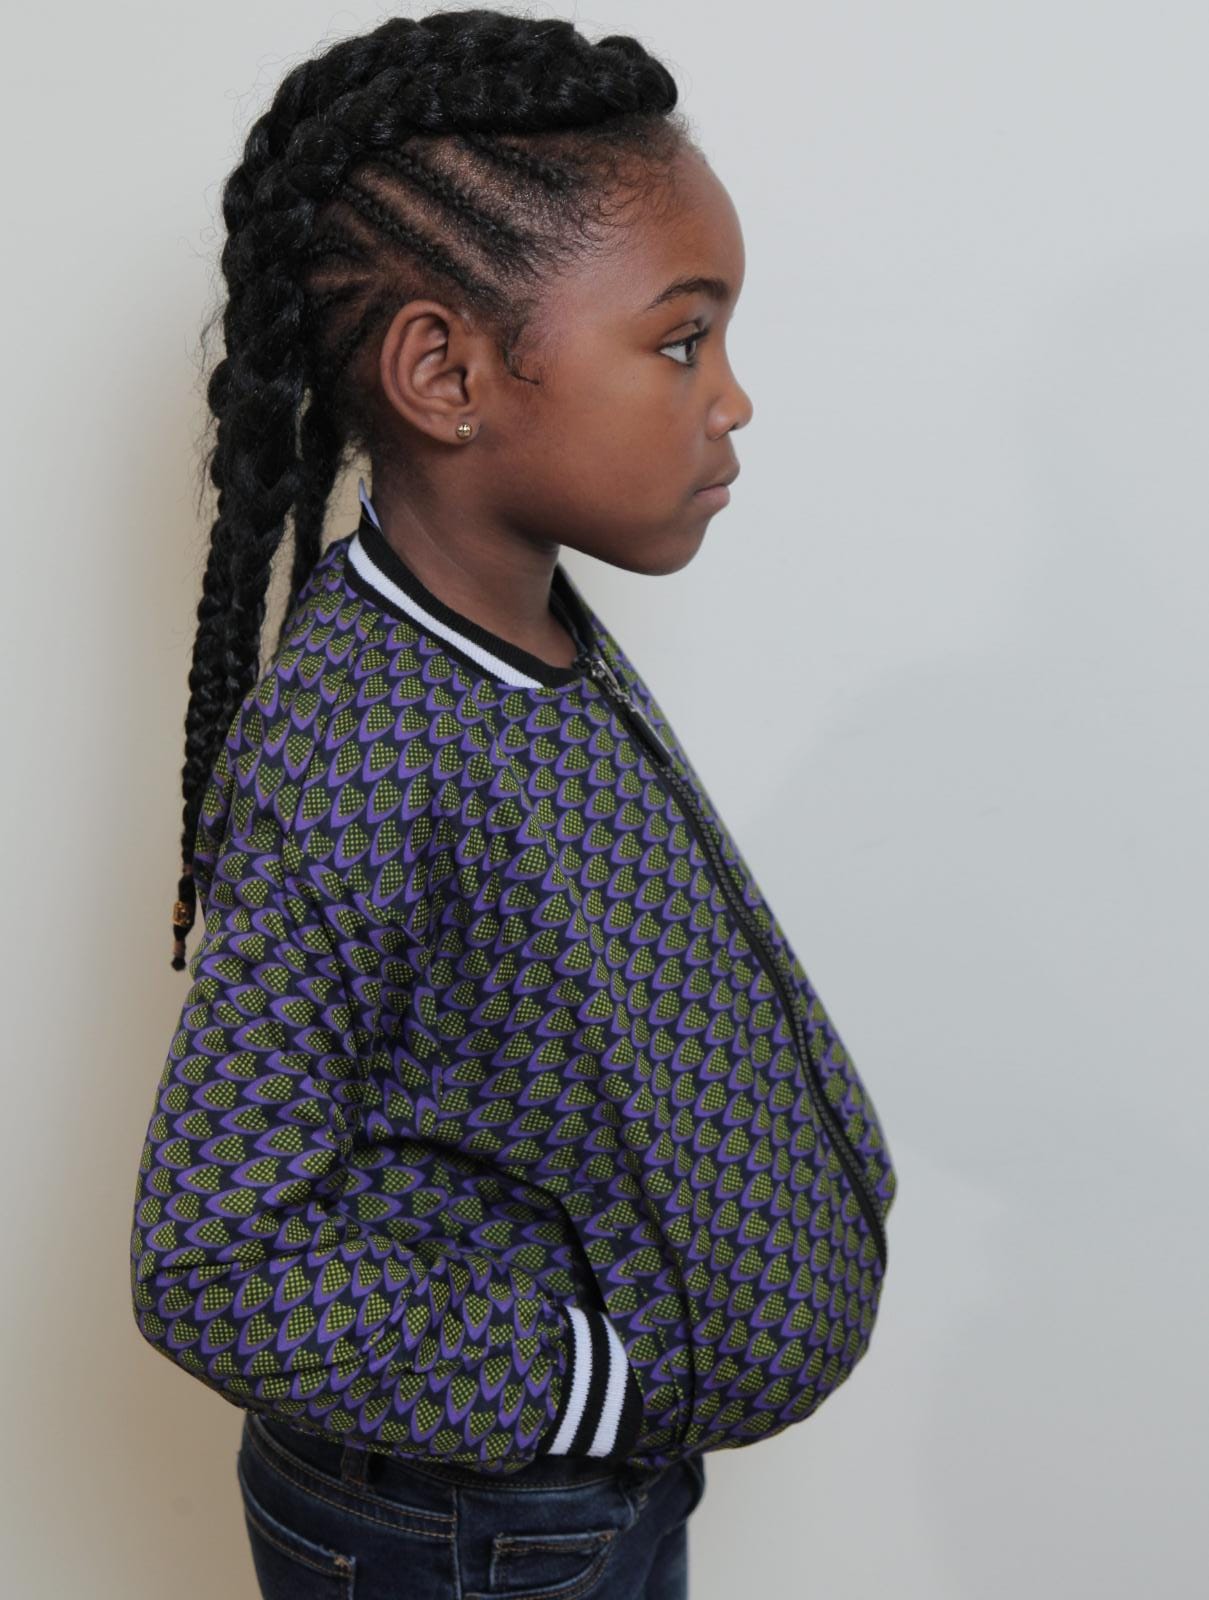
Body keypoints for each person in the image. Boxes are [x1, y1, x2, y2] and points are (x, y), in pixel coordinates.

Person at [128, 9, 899, 1597]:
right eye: (680, 342)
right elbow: (210, 1260)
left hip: (585, 1500)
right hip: (476, 1528)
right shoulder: (360, 751)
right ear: (444, 372)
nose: (730, 399)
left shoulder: (533, 635)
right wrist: (589, 1386)